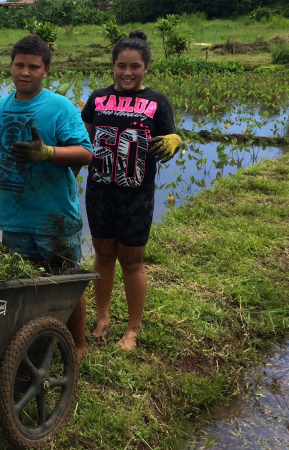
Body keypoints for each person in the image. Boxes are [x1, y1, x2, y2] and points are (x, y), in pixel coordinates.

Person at [0, 34, 93, 359]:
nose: (25, 72)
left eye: (33, 67)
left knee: (66, 283)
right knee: (24, 287)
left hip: (54, 218)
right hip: (15, 219)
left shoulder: (59, 107)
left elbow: (85, 152)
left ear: (45, 70)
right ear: (11, 66)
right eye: (19, 65)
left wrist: (47, 152)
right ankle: (34, 345)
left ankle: (77, 346)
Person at [80, 30, 181, 351]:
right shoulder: (97, 99)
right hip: (98, 190)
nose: (127, 73)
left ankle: (133, 329)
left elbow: (169, 137)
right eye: (121, 66)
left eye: (135, 66)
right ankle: (103, 318)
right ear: (112, 66)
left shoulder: (157, 102)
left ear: (146, 67)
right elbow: (86, 137)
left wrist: (175, 141)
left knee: (132, 261)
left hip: (136, 193)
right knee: (104, 256)